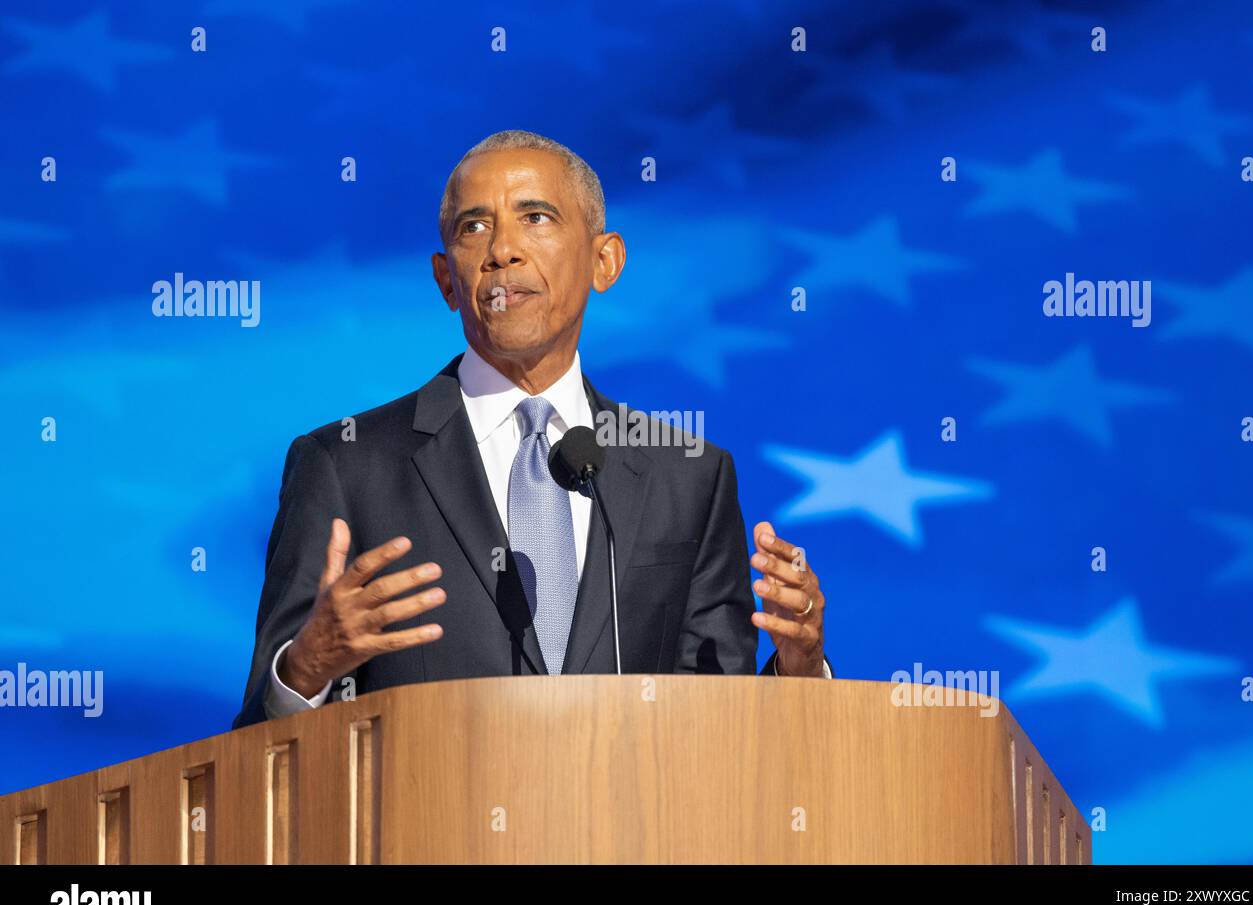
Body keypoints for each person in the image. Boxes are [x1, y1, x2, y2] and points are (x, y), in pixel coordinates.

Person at [233, 130, 830, 729]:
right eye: (473, 227)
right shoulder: (346, 465)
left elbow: (724, 726)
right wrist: (307, 668)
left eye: (535, 217)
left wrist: (799, 670)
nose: (502, 251)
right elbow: (258, 741)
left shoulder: (689, 477)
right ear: (446, 280)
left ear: (604, 261)